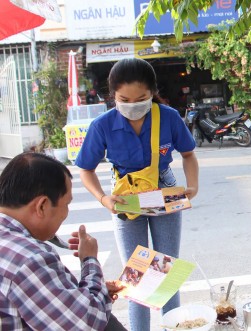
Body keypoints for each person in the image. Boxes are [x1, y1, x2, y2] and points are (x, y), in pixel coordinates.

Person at [75, 58, 199, 331]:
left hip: (164, 189)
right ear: (113, 96)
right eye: (124, 99)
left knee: (166, 271)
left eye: (141, 98)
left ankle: (172, 326)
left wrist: (193, 184)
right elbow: (86, 170)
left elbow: (188, 154)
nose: (133, 105)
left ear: (153, 92)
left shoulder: (168, 117)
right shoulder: (102, 125)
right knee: (137, 276)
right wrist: (103, 198)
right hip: (125, 197)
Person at [0, 152, 126, 330]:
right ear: (42, 205)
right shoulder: (28, 259)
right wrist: (89, 261)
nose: (66, 214)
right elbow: (88, 322)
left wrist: (86, 291)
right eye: (66, 204)